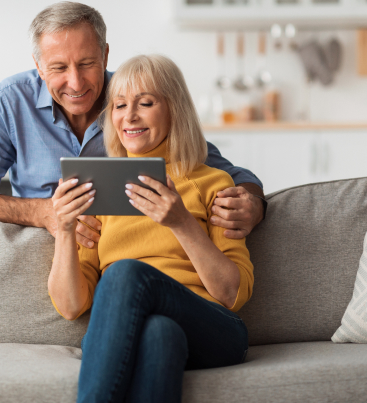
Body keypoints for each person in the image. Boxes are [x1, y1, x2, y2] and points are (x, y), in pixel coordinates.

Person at [0, 2, 266, 249]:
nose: (75, 82)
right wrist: (44, 214)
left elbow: (229, 172)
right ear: (38, 66)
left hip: (128, 256)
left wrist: (252, 204)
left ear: (106, 55)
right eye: (58, 67)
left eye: (87, 64)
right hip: (49, 260)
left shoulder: (134, 100)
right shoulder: (9, 101)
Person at [49, 54, 253, 403]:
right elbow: (70, 307)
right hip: (138, 331)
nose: (129, 116)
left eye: (145, 103)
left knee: (125, 273)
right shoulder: (99, 189)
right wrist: (65, 230)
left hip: (215, 329)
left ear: (175, 110)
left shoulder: (213, 183)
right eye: (119, 106)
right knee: (160, 334)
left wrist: (181, 223)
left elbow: (232, 295)